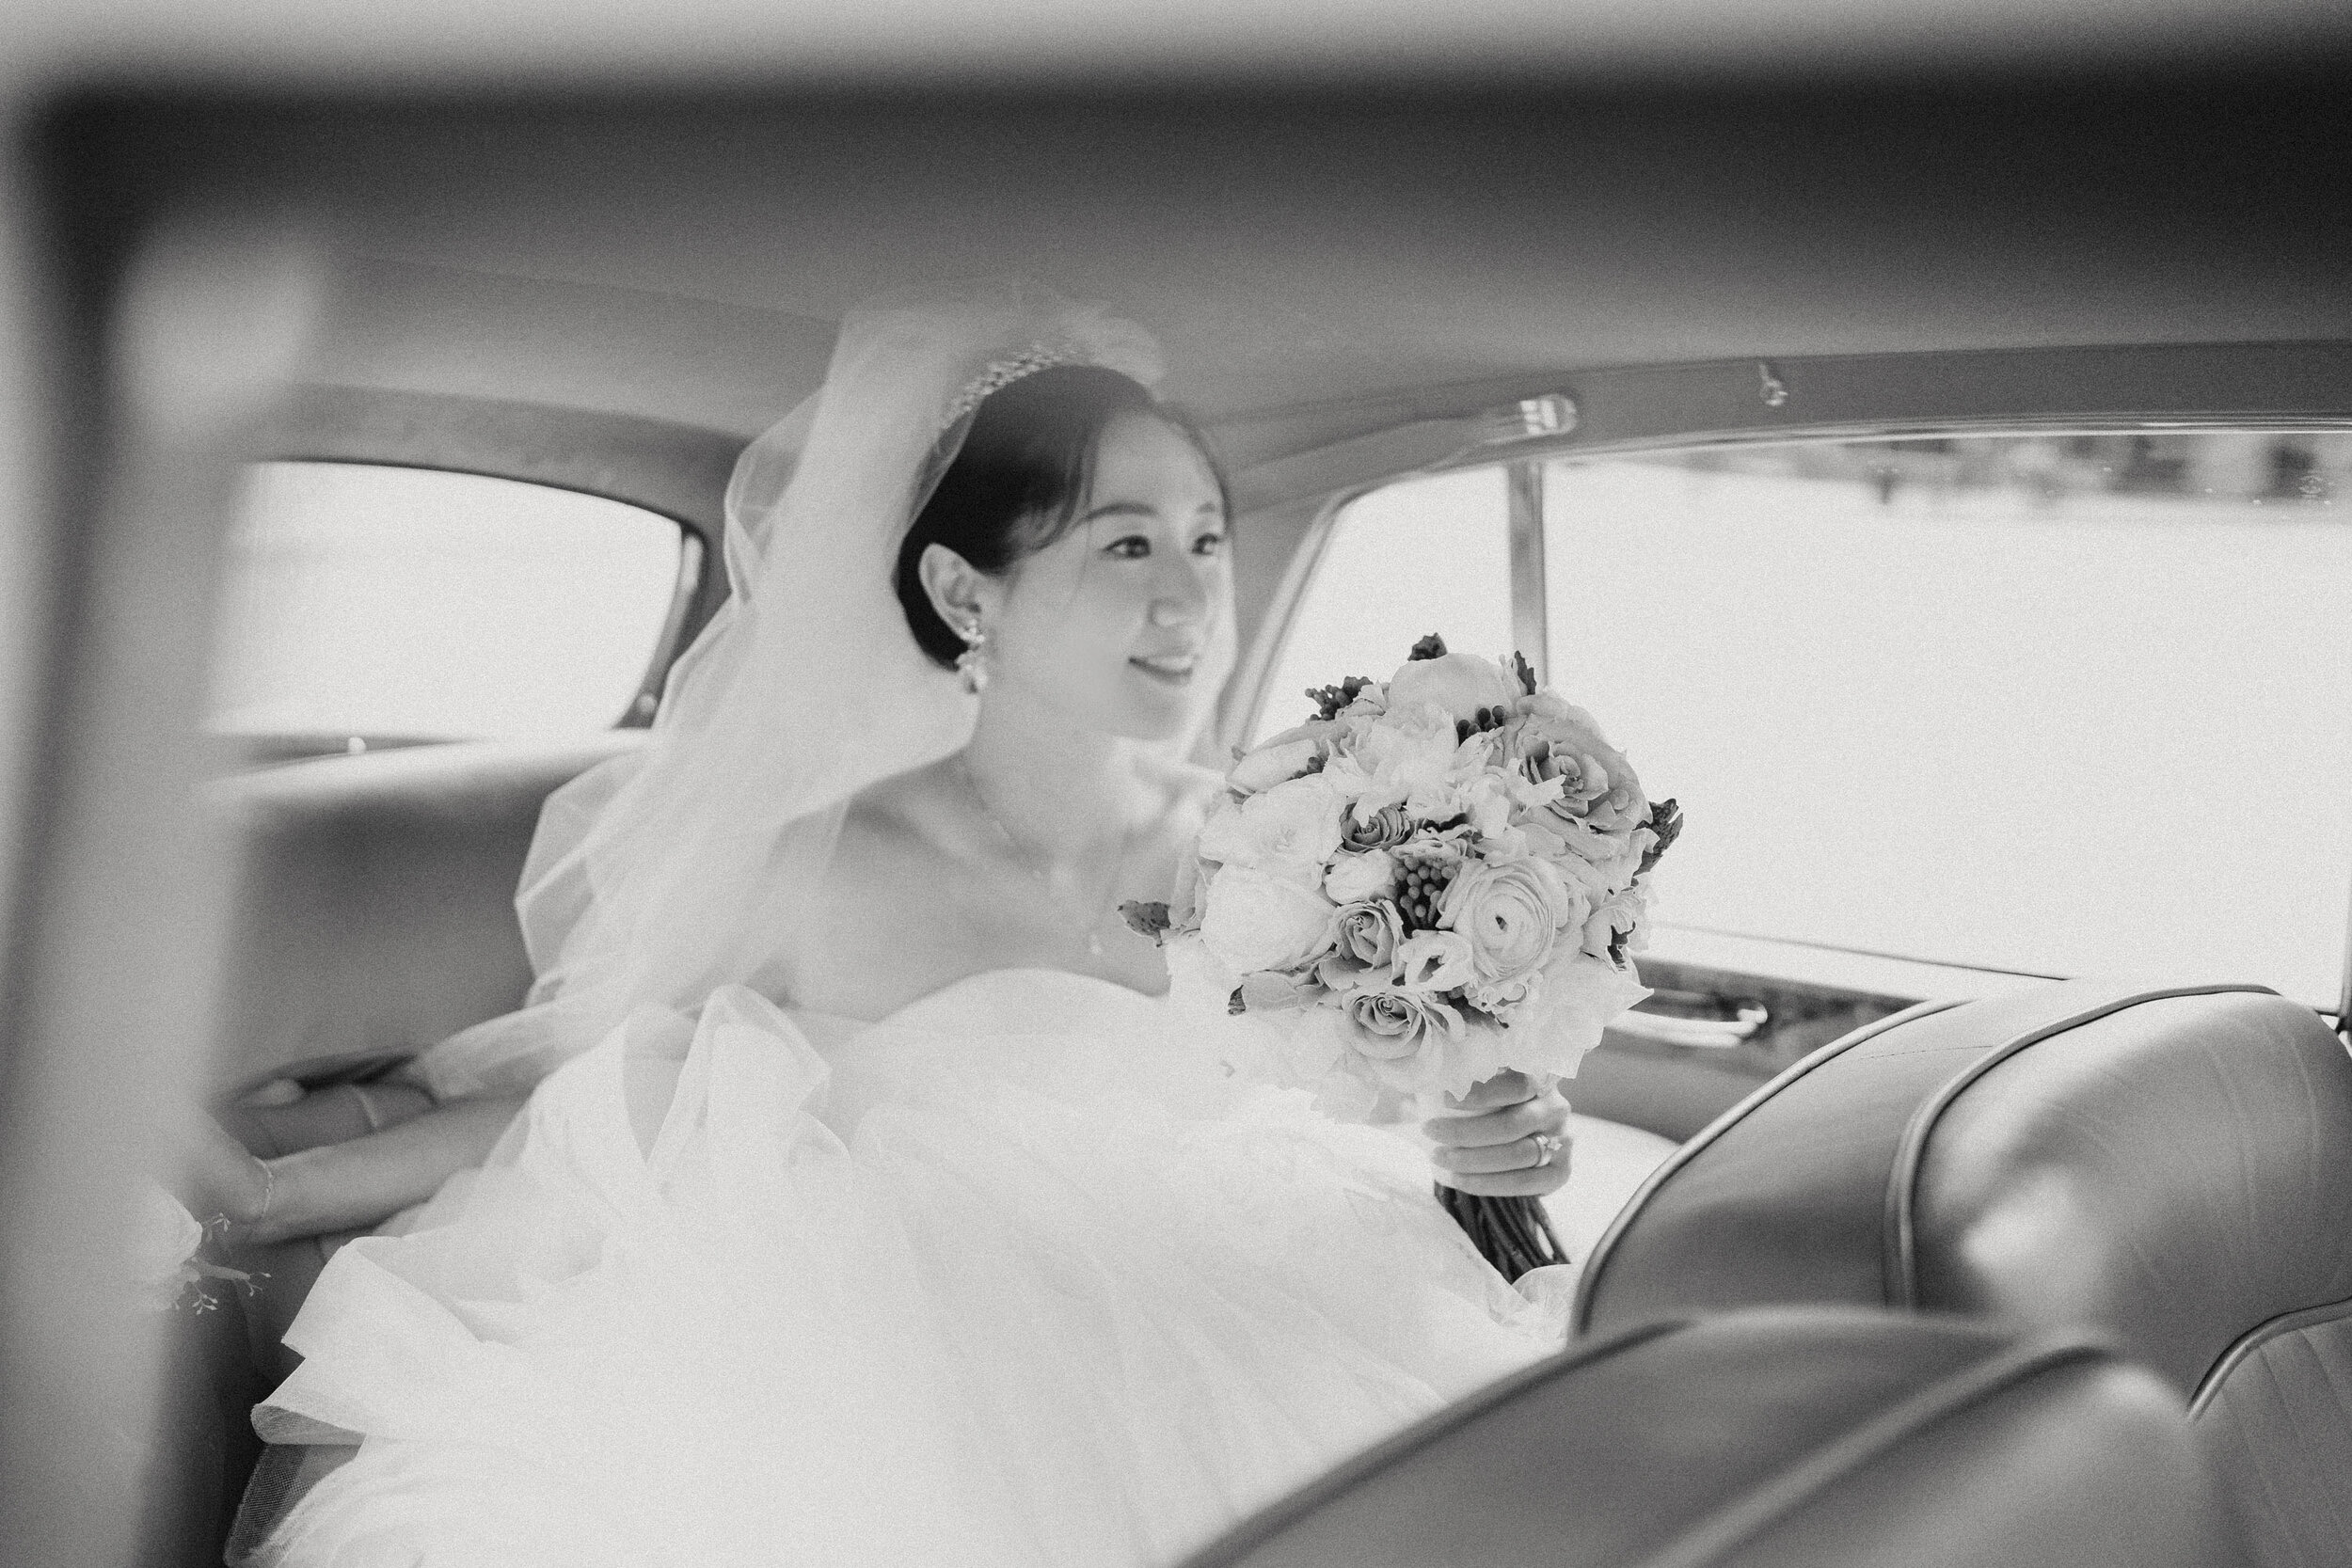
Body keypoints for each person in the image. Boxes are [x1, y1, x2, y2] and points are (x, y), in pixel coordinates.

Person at [199, 287, 1597, 1568]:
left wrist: (1491, 1131)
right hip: (876, 1366)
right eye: (1125, 544)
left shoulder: (1295, 847)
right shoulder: (819, 867)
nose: (1186, 598)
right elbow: (607, 1104)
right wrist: (276, 1195)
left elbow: (1389, 1099)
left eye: (1206, 540)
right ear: (961, 591)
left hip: (1232, 1313)